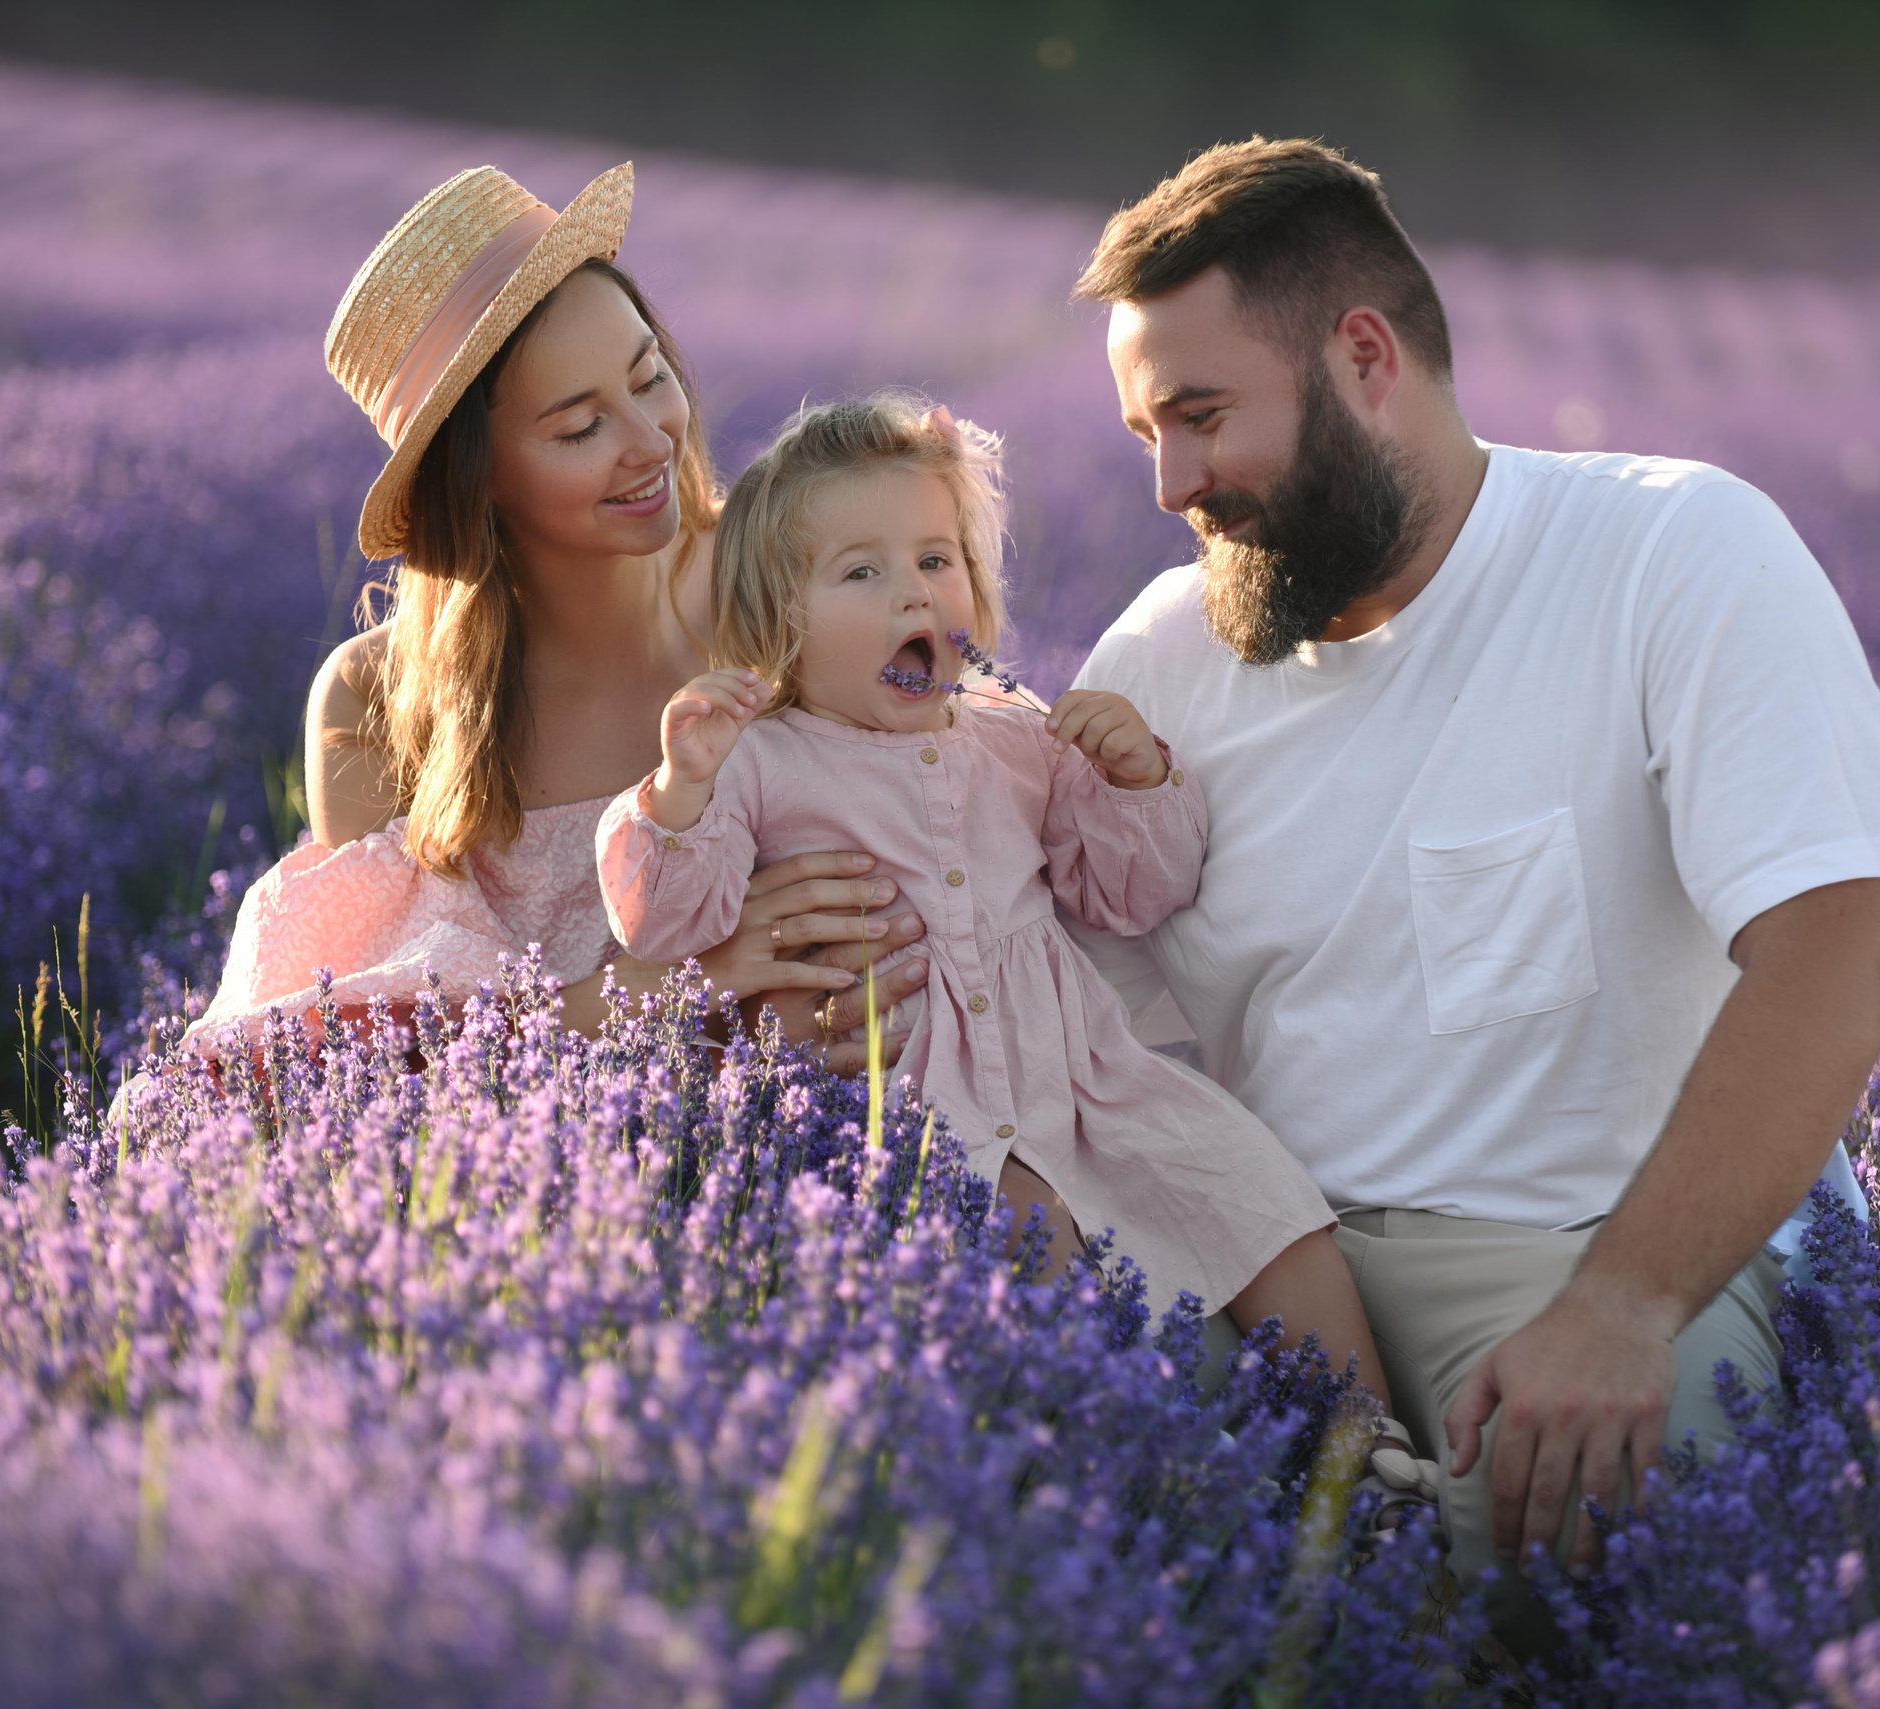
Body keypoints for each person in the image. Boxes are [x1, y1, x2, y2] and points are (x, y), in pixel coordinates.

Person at [1066, 138, 1880, 1647]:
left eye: (1203, 418)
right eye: (1146, 433)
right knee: (1087, 1532)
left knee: (1562, 1575)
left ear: (1364, 359)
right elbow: (1051, 1003)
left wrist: (1623, 1308)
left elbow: (1837, 958)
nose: (1170, 485)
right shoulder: (1160, 659)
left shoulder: (1668, 551)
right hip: (1267, 1261)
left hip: (1578, 1248)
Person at [593, 393, 1405, 1431]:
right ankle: (1128, 1478)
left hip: (1078, 1075)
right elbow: (662, 918)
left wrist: (1136, 775)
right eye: (862, 572)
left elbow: (1131, 892)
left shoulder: (1015, 739)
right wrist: (679, 788)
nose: (912, 598)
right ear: (777, 621)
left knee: (1258, 1194)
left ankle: (1365, 1444)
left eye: (938, 561)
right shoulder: (760, 759)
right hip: (906, 1098)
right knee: (1035, 1244)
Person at [178, 163, 928, 1062]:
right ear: (478, 481)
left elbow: (967, 791)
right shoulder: (376, 704)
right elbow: (388, 1053)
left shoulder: (791, 574)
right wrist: (687, 980)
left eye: (649, 378)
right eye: (581, 429)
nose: (652, 441)